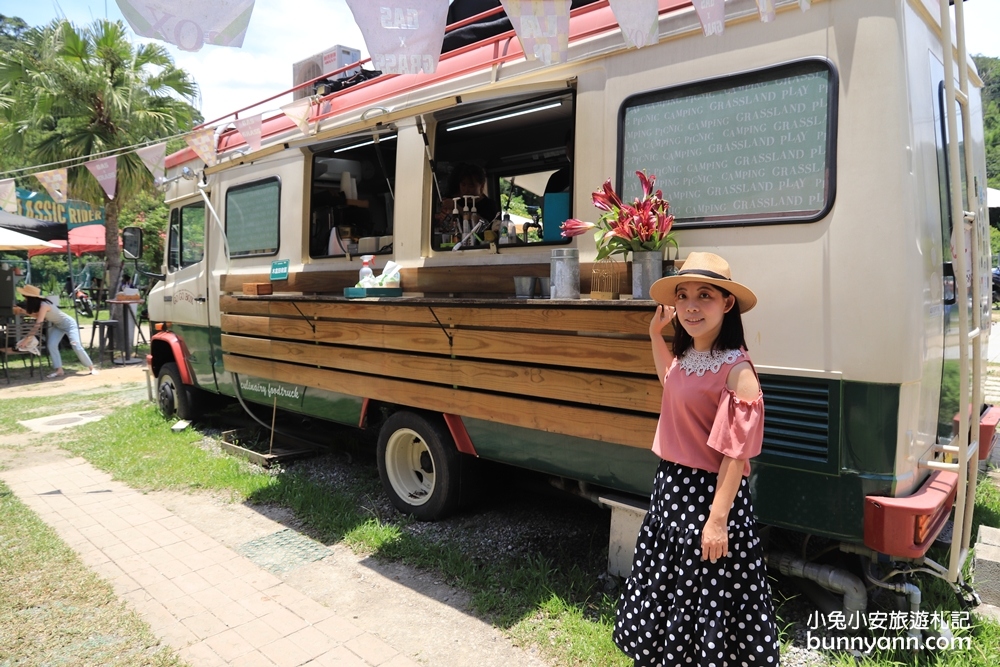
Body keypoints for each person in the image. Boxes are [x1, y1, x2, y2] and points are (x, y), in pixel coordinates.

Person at [613, 252, 779, 666]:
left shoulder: (737, 371)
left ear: (727, 304)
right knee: (672, 586)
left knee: (707, 593)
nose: (690, 305)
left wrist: (717, 521)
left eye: (704, 295)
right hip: (672, 487)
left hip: (708, 498)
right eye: (683, 295)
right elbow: (671, 383)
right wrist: (656, 336)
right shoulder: (689, 357)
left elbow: (734, 457)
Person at [14, 284, 98, 379]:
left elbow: (38, 323)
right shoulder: (39, 305)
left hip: (69, 325)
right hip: (58, 326)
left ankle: (91, 368)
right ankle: (59, 371)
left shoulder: (44, 305)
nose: (24, 298)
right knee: (51, 345)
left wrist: (27, 339)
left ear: (30, 297)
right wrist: (21, 310)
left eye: (25, 296)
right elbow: (39, 317)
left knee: (76, 345)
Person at [435, 163, 499, 242]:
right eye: (463, 185)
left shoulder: (489, 205)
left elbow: (485, 225)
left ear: (481, 186)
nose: (466, 189)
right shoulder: (458, 201)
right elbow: (446, 227)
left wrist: (457, 207)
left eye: (471, 186)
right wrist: (442, 216)